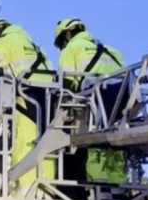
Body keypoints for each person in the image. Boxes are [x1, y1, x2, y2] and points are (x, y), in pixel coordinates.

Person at [0, 17, 57, 196]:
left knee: (25, 143)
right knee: (47, 144)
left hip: (26, 98)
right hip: (49, 100)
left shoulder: (4, 41)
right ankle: (47, 189)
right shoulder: (34, 46)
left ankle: (23, 191)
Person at [53, 18, 127, 189]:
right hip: (122, 103)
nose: (61, 47)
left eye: (60, 43)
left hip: (96, 103)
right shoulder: (112, 51)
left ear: (68, 34)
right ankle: (115, 186)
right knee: (115, 142)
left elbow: (66, 84)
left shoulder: (71, 48)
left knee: (67, 133)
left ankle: (73, 186)